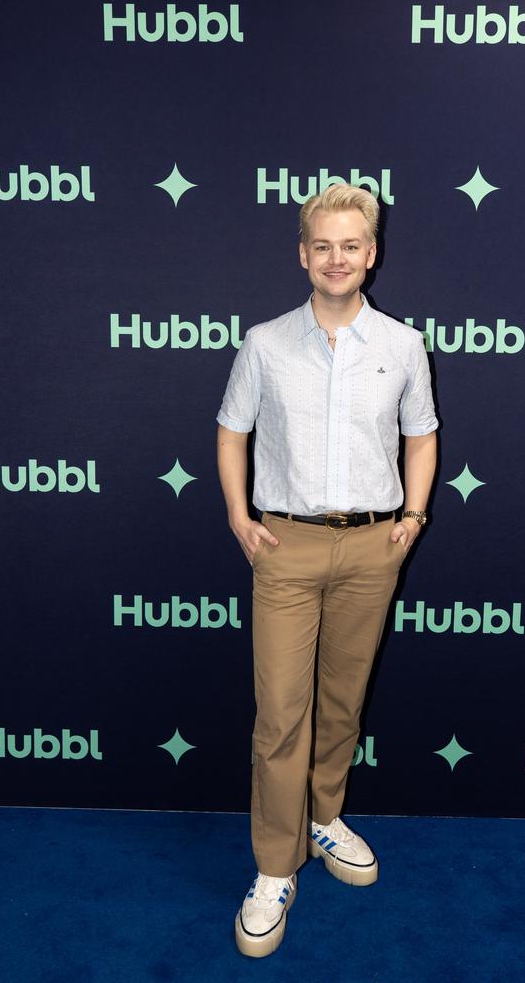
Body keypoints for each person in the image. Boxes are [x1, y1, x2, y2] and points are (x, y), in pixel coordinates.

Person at [216, 183, 438, 958]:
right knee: (281, 713)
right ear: (302, 254)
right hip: (286, 547)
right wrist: (242, 518)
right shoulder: (265, 343)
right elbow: (231, 430)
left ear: (372, 254)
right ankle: (276, 866)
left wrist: (412, 517)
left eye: (351, 245)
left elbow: (422, 435)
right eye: (322, 245)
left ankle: (324, 817)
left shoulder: (404, 345)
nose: (336, 258)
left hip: (374, 548)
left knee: (342, 701)